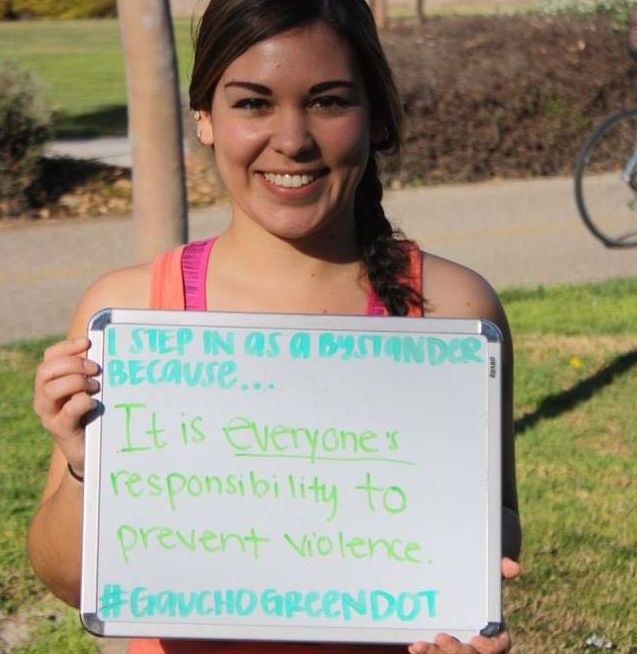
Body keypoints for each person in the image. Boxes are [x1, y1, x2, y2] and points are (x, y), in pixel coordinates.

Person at [28, 1, 522, 653]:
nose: (291, 139)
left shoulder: (453, 312)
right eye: (253, 104)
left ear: (374, 116)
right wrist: (86, 464)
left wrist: (463, 589)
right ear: (204, 118)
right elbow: (70, 580)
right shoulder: (134, 313)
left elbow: (501, 519)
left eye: (328, 101)